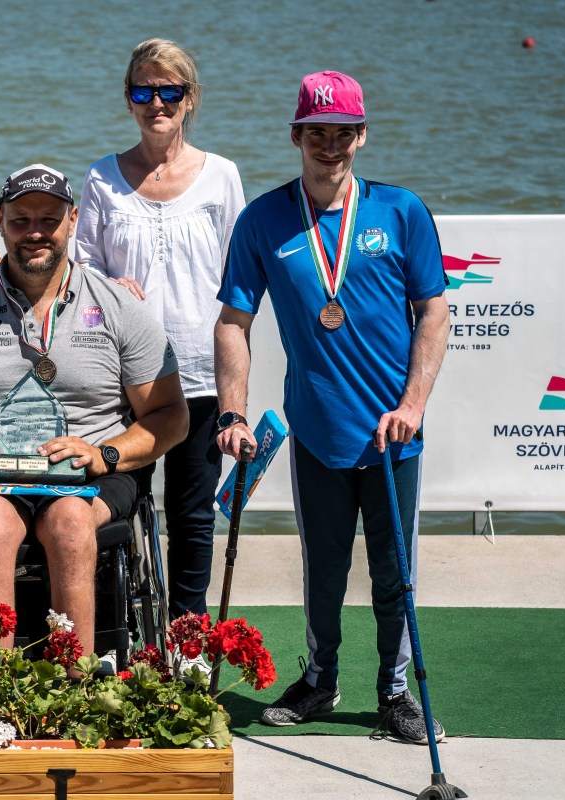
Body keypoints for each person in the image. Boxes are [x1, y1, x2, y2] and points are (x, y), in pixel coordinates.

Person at [214, 71, 451, 744]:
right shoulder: (263, 220)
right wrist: (233, 414)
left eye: (343, 133)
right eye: (316, 132)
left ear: (362, 136)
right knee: (323, 570)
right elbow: (232, 322)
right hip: (317, 432)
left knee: (394, 575)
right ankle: (321, 679)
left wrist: (412, 405)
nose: (329, 145)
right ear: (296, 136)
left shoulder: (401, 212)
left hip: (391, 435)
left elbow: (434, 313)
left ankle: (396, 694)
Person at [0, 164, 188, 659]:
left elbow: (170, 414)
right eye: (20, 220)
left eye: (48, 220)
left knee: (70, 522)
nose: (35, 233)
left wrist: (107, 454)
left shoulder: (119, 307)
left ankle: (76, 682)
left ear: (72, 220)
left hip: (89, 470)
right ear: (0, 220)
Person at [75, 38, 246, 627]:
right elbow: (81, 274)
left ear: (189, 98)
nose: (156, 103)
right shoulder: (100, 178)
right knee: (114, 508)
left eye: (169, 91)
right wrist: (109, 285)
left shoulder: (222, 176)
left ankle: (187, 640)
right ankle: (115, 637)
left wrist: (236, 392)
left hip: (200, 376)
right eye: (143, 91)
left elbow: (239, 283)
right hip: (126, 382)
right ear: (127, 100)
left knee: (193, 517)